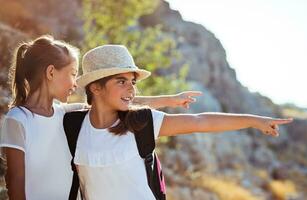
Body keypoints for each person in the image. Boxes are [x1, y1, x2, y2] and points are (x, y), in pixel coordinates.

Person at [71, 44, 293, 200]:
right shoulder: (71, 122)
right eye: (121, 81)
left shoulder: (142, 121)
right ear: (95, 87)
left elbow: (200, 122)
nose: (132, 88)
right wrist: (167, 99)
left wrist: (254, 121)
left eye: (133, 81)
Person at [0, 35, 201, 200]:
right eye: (72, 74)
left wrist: (171, 99)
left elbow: (116, 101)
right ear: (51, 72)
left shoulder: (64, 113)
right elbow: (14, 179)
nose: (75, 83)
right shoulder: (18, 119)